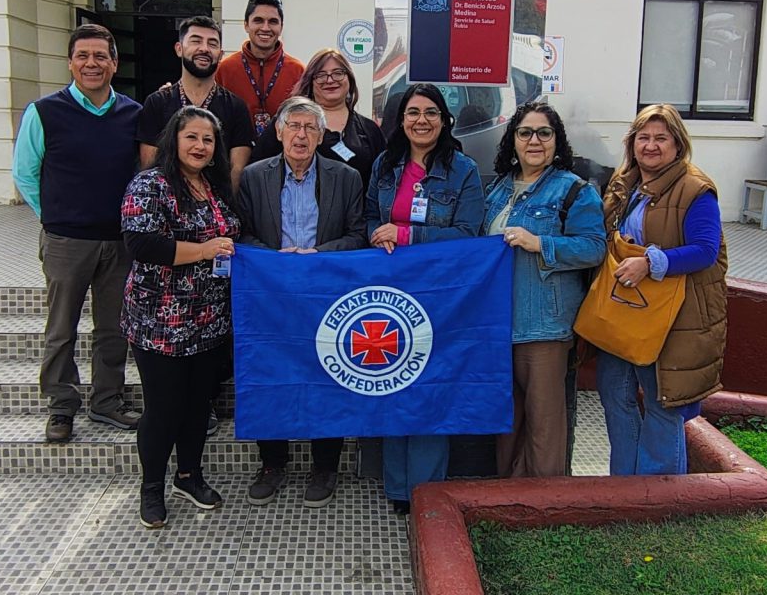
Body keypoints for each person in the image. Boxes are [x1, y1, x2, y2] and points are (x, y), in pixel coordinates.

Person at [12, 24, 141, 443]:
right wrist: (55, 218)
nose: (92, 63)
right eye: (83, 56)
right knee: (61, 326)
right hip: (66, 241)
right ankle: (61, 405)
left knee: (113, 327)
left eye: (100, 56)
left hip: (119, 241)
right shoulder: (44, 112)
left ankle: (108, 400)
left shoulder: (133, 115)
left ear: (114, 63)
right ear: (70, 62)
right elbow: (25, 174)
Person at [237, 96, 367, 508]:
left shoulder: (346, 178)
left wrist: (321, 256)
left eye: (310, 127)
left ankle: (324, 465)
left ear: (323, 134)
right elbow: (241, 234)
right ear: (278, 132)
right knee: (270, 374)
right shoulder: (254, 177)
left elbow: (358, 235)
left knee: (329, 376)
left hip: (325, 296)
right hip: (271, 296)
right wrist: (275, 261)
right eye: (293, 125)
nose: (301, 134)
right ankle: (273, 464)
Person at [364, 83, 484, 513]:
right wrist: (378, 237)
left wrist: (409, 235)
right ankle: (398, 489)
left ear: (444, 120)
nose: (421, 120)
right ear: (401, 120)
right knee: (394, 382)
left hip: (441, 297)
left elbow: (470, 234)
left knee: (431, 388)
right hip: (390, 294)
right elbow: (369, 221)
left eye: (431, 112)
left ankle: (427, 490)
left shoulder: (464, 170)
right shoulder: (384, 164)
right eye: (413, 112)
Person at [120, 106, 241, 529]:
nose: (200, 146)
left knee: (196, 406)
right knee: (164, 408)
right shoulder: (150, 184)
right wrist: (205, 250)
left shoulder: (214, 186)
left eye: (207, 140)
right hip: (159, 322)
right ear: (174, 138)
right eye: (192, 137)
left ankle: (189, 476)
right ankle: (151, 487)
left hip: (208, 319)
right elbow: (142, 244)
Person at [596, 104, 727, 476]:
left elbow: (705, 250)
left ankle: (662, 492)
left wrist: (651, 263)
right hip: (622, 310)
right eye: (643, 137)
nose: (651, 146)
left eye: (660, 138)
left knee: (660, 402)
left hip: (670, 316)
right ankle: (624, 484)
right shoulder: (626, 184)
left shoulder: (695, 189)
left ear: (678, 144)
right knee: (615, 394)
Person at [482, 100, 605, 478]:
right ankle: (509, 498)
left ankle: (544, 505)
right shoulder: (500, 188)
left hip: (545, 327)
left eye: (544, 132)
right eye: (525, 132)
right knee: (509, 422)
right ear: (513, 140)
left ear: (556, 140)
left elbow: (594, 247)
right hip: (499, 325)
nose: (534, 140)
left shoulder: (573, 190)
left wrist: (541, 244)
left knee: (545, 426)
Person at [137, 16, 254, 192]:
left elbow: (236, 173)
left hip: (217, 209)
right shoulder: (157, 103)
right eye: (196, 41)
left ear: (220, 55)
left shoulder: (236, 107)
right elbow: (150, 166)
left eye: (212, 43)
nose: (204, 49)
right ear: (179, 49)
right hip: (167, 206)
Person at [251, 48, 385, 191]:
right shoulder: (287, 121)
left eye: (338, 73)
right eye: (321, 75)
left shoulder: (369, 129)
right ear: (310, 82)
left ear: (349, 79)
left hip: (354, 211)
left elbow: (383, 178)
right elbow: (258, 169)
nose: (330, 80)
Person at [215, 0, 305, 136]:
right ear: (246, 25)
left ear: (281, 27)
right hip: (236, 154)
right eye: (258, 20)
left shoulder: (298, 71)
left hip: (282, 155)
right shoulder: (225, 69)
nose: (265, 28)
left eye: (273, 21)